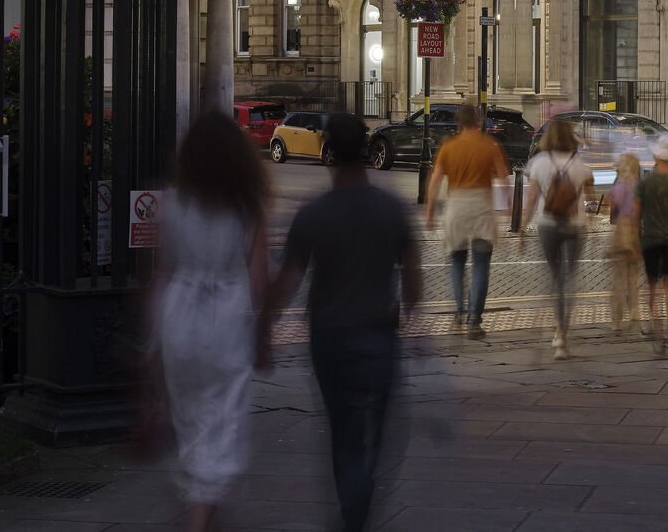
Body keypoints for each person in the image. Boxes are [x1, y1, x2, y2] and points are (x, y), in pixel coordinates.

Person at [264, 111, 422, 532]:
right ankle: (360, 498)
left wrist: (262, 331)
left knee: (342, 429)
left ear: (328, 150)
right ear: (369, 152)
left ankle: (353, 504)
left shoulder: (314, 212)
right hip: (379, 334)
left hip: (331, 338)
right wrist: (414, 318)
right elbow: (413, 274)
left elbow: (286, 280)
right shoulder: (390, 208)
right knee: (380, 430)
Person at [154, 109, 269, 532]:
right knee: (222, 425)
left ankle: (198, 506)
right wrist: (264, 333)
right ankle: (199, 519)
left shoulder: (171, 201)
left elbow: (161, 273)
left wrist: (152, 343)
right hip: (226, 319)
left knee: (190, 422)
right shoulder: (247, 206)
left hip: (179, 317)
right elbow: (260, 281)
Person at [424, 102, 511, 337]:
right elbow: (504, 178)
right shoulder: (489, 145)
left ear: (459, 122)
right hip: (482, 204)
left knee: (456, 261)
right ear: (479, 121)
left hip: (457, 204)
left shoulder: (449, 146)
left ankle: (459, 312)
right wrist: (508, 211)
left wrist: (430, 211)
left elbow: (435, 180)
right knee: (482, 263)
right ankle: (475, 320)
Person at [520, 114, 594, 359]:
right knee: (569, 279)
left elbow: (531, 200)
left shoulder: (539, 162)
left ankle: (554, 327)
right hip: (575, 225)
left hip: (548, 224)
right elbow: (592, 199)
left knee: (555, 277)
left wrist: (522, 228)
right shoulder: (581, 165)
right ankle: (562, 335)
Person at [636, 136, 668, 354]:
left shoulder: (645, 182)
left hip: (650, 240)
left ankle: (655, 330)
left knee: (652, 286)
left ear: (656, 158)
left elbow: (635, 213)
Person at [607, 151, 642, 336]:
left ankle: (616, 320)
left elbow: (612, 212)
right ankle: (635, 311)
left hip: (620, 233)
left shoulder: (617, 187)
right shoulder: (638, 187)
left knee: (618, 279)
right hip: (634, 232)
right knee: (633, 278)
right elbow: (637, 213)